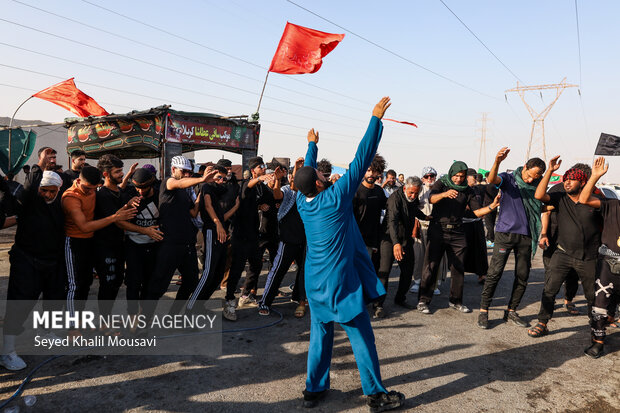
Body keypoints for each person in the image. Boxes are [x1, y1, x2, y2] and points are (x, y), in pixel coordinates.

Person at [294, 97, 404, 411]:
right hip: (341, 283)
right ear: (318, 181)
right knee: (361, 338)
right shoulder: (337, 197)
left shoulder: (303, 202)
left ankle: (313, 390)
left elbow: (306, 173)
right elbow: (362, 157)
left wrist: (312, 146)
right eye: (320, 174)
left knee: (320, 337)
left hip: (315, 283)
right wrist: (375, 120)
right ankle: (375, 393)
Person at [527, 157, 599, 338]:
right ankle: (543, 322)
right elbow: (538, 196)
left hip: (589, 257)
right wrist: (550, 171)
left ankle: (596, 327)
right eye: (565, 177)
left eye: (572, 178)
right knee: (550, 289)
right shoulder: (560, 198)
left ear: (583, 182)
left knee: (592, 295)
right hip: (563, 253)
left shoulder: (595, 202)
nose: (566, 181)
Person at [0, 170, 65, 370]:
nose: (47, 195)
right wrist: (40, 165)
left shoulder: (61, 204)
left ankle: (46, 333)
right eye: (44, 191)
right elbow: (28, 186)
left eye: (52, 191)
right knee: (19, 304)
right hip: (27, 261)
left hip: (53, 261)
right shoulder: (29, 202)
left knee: (54, 300)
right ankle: (7, 352)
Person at [417, 161, 499, 315]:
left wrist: (491, 207)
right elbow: (431, 199)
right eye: (456, 176)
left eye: (462, 176)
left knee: (458, 268)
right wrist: (444, 194)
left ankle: (456, 301)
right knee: (431, 266)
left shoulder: (468, 190)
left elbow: (475, 212)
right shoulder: (442, 183)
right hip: (438, 230)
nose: (458, 179)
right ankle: (423, 300)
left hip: (458, 232)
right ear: (451, 173)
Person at [62, 165, 136, 334]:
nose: (90, 192)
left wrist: (126, 197)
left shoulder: (94, 189)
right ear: (78, 180)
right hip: (74, 242)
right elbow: (85, 226)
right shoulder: (71, 197)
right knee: (76, 285)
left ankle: (95, 323)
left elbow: (115, 188)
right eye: (87, 188)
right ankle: (73, 329)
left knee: (87, 283)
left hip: (91, 243)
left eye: (94, 189)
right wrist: (115, 217)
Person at [478, 147, 546, 329]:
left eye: (535, 177)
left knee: (523, 275)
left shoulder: (538, 186)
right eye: (529, 175)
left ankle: (511, 310)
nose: (530, 180)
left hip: (526, 236)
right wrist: (497, 161)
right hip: (505, 233)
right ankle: (484, 310)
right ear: (524, 167)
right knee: (495, 273)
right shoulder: (508, 179)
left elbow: (543, 209)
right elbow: (491, 180)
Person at [141, 156, 215, 319]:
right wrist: (201, 178)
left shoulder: (184, 191)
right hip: (170, 243)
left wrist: (201, 191)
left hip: (187, 244)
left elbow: (193, 212)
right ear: (174, 169)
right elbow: (179, 183)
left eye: (189, 172)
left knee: (190, 282)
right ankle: (142, 325)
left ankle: (174, 316)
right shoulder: (168, 183)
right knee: (158, 286)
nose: (187, 175)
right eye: (184, 171)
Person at [223, 157, 277, 320]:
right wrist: (258, 179)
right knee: (237, 269)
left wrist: (274, 183)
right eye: (261, 167)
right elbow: (247, 187)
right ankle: (229, 303)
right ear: (254, 170)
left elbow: (270, 198)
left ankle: (246, 296)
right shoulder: (246, 184)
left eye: (264, 166)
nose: (264, 169)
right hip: (240, 235)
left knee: (256, 264)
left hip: (254, 235)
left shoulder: (261, 187)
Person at [577, 157, 620, 358]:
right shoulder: (612, 205)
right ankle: (598, 342)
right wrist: (594, 177)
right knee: (600, 305)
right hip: (608, 266)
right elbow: (583, 199)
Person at [258, 157, 308, 317]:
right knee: (278, 271)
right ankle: (265, 301)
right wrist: (278, 180)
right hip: (287, 241)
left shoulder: (307, 196)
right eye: (294, 176)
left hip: (305, 242)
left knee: (304, 272)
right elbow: (277, 195)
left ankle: (299, 299)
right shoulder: (287, 192)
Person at [186, 165, 240, 311]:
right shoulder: (207, 187)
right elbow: (208, 207)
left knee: (217, 275)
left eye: (224, 177)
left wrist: (235, 207)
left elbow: (222, 217)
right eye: (218, 177)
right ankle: (189, 309)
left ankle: (199, 306)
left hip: (220, 232)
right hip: (211, 231)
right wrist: (217, 224)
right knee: (208, 273)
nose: (222, 180)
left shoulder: (221, 189)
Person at [377, 176, 429, 318]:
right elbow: (392, 222)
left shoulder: (413, 198)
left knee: (407, 271)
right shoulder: (395, 198)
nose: (413, 196)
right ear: (405, 188)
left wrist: (426, 217)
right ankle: (378, 304)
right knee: (384, 271)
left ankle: (400, 298)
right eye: (411, 192)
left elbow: (414, 211)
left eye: (416, 193)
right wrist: (396, 244)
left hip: (405, 238)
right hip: (389, 238)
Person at [115, 168, 163, 320]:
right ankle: (132, 315)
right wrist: (144, 230)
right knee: (133, 283)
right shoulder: (129, 195)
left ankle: (143, 314)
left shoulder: (160, 196)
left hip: (154, 246)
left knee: (150, 283)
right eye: (138, 188)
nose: (140, 192)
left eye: (144, 188)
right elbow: (119, 221)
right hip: (134, 245)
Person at [353, 154, 387, 286]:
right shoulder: (356, 191)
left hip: (375, 238)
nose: (371, 174)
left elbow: (387, 208)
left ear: (379, 172)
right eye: (368, 170)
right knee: (358, 272)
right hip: (358, 239)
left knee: (371, 271)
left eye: (374, 171)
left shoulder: (379, 191)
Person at [411, 167, 446, 295]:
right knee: (419, 255)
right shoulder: (419, 191)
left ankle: (434, 283)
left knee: (436, 257)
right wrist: (415, 227)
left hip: (437, 227)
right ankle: (417, 281)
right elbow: (414, 210)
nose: (430, 179)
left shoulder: (441, 190)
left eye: (432, 176)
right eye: (427, 176)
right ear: (422, 178)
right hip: (422, 226)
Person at [463, 168, 489, 284]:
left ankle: (482, 274)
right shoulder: (461, 190)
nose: (475, 178)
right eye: (473, 176)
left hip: (477, 222)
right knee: (463, 250)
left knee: (480, 249)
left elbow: (484, 202)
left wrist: (482, 211)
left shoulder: (479, 189)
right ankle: (459, 274)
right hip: (463, 223)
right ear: (467, 177)